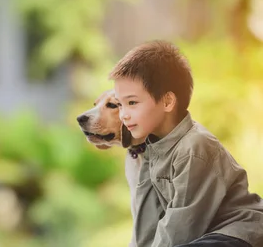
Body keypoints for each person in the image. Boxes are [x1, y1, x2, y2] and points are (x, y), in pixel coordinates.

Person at [109, 40, 263, 247]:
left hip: (238, 232)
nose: (124, 115)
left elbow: (182, 228)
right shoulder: (152, 146)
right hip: (205, 234)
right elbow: (147, 221)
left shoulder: (195, 146)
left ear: (167, 102)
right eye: (119, 105)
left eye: (132, 103)